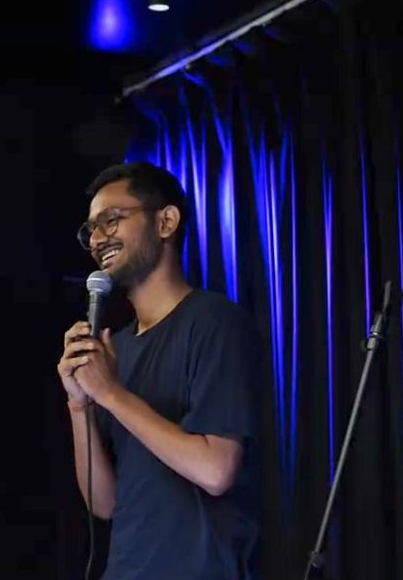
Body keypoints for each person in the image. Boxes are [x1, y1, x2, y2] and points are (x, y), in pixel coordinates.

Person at [56, 162, 261, 579]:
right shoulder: (117, 348)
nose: (97, 239)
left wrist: (111, 394)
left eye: (112, 220)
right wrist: (80, 406)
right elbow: (105, 503)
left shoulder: (213, 321)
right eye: (91, 229)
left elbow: (216, 471)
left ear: (166, 222)